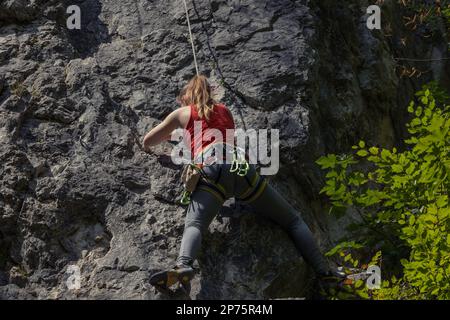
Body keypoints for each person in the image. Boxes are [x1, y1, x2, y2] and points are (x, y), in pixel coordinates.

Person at [143, 75, 343, 296]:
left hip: (211, 171)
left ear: (186, 97)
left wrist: (175, 134)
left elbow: (148, 141)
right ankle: (325, 272)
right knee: (293, 220)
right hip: (240, 169)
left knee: (195, 225)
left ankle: (183, 266)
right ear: (210, 92)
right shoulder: (225, 111)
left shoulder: (181, 113)